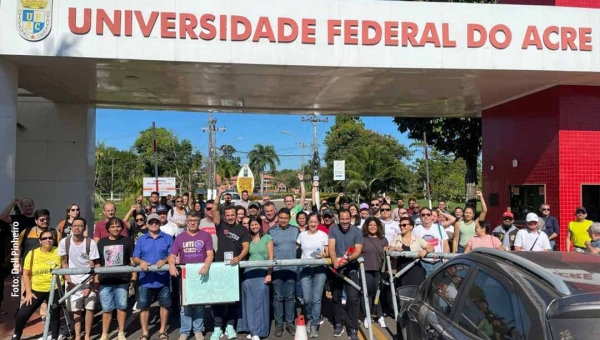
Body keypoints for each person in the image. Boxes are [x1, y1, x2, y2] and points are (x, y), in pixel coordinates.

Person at [211, 187, 250, 340]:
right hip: (220, 267)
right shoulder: (221, 225)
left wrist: (239, 257)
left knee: (233, 298)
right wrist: (219, 193)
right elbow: (214, 210)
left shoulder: (242, 230)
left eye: (233, 215)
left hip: (234, 268)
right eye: (228, 215)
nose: (230, 217)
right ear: (225, 216)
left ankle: (230, 325)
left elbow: (246, 247)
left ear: (236, 215)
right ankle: (217, 327)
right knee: (219, 298)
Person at [169, 211, 214, 340]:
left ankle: (198, 330)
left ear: (199, 222)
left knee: (199, 305)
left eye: (195, 220)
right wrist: (172, 265)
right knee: (185, 305)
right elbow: (172, 255)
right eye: (190, 221)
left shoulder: (205, 235)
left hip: (201, 275)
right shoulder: (180, 237)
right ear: (186, 222)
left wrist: (206, 266)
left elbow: (210, 254)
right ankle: (185, 331)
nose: (193, 223)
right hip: (185, 276)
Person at [11, 230, 61, 340]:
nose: (47, 240)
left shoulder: (59, 252)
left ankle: (54, 337)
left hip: (54, 288)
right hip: (36, 289)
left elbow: (65, 266)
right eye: (44, 238)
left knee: (54, 313)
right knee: (23, 313)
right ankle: (16, 335)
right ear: (40, 241)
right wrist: (28, 292)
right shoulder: (32, 253)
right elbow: (25, 274)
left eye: (50, 238)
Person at [133, 213, 173, 340]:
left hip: (163, 278)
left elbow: (172, 255)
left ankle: (162, 331)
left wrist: (165, 260)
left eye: (156, 222)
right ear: (147, 224)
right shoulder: (141, 239)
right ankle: (145, 333)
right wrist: (141, 262)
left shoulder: (168, 238)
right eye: (151, 222)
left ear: (160, 223)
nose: (154, 224)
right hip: (145, 279)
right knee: (144, 307)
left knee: (164, 305)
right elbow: (135, 257)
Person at [58, 217, 99, 340]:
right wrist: (69, 282)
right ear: (71, 227)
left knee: (90, 308)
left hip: (87, 281)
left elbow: (93, 265)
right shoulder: (64, 242)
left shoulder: (90, 243)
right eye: (75, 225)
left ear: (84, 228)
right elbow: (64, 263)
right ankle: (77, 335)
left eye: (80, 226)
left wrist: (90, 284)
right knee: (76, 311)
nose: (77, 228)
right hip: (72, 281)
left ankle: (87, 335)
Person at [328, 210, 364, 340]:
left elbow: (358, 250)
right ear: (338, 219)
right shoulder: (333, 229)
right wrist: (334, 260)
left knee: (353, 298)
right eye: (342, 219)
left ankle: (353, 327)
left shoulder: (357, 231)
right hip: (336, 269)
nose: (344, 221)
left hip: (351, 269)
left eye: (347, 219)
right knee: (336, 297)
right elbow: (331, 247)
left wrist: (346, 260)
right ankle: (338, 322)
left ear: (351, 218)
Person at [96, 217, 132, 340]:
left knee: (121, 306)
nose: (115, 229)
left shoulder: (127, 241)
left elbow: (132, 260)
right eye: (113, 226)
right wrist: (96, 278)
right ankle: (104, 334)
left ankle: (121, 332)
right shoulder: (101, 242)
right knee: (106, 309)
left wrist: (133, 277)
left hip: (122, 280)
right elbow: (98, 262)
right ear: (108, 229)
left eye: (118, 226)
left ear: (122, 228)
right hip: (105, 280)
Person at [238, 216, 273, 340]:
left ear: (260, 225)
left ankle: (259, 331)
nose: (254, 227)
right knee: (249, 303)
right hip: (249, 274)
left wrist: (269, 274)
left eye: (256, 224)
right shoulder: (247, 239)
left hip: (262, 273)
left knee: (260, 303)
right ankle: (252, 329)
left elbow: (271, 257)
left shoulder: (267, 238)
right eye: (251, 225)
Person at [296, 212, 329, 338]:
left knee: (316, 299)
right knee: (307, 299)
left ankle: (314, 324)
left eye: (315, 222)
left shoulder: (323, 235)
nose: (313, 224)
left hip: (320, 270)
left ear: (318, 222)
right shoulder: (301, 235)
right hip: (305, 269)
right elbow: (295, 248)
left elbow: (326, 251)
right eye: (311, 222)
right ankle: (309, 317)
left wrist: (323, 254)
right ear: (307, 223)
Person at [269, 208, 300, 337]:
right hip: (277, 270)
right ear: (278, 218)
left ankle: (290, 323)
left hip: (291, 269)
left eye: (285, 218)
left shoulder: (295, 230)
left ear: (289, 219)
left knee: (289, 297)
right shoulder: (271, 231)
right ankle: (279, 324)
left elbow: (299, 245)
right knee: (278, 297)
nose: (283, 220)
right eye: (281, 218)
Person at [359, 217, 388, 329]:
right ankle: (367, 316)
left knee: (377, 293)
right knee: (366, 294)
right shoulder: (362, 238)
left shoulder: (383, 239)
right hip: (365, 269)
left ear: (378, 227)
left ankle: (380, 316)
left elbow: (386, 253)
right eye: (370, 225)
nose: (372, 227)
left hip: (378, 269)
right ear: (366, 226)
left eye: (375, 225)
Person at [389, 217, 432, 286]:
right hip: (402, 271)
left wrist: (425, 250)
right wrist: (395, 249)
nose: (402, 227)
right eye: (400, 225)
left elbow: (431, 248)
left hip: (416, 270)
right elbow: (390, 249)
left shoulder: (417, 238)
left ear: (411, 227)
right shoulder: (396, 237)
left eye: (404, 225)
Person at [413, 208, 450, 277]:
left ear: (431, 216)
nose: (426, 216)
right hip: (423, 263)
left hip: (438, 262)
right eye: (423, 215)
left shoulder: (439, 228)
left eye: (428, 214)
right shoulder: (415, 230)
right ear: (420, 217)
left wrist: (446, 260)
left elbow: (445, 245)